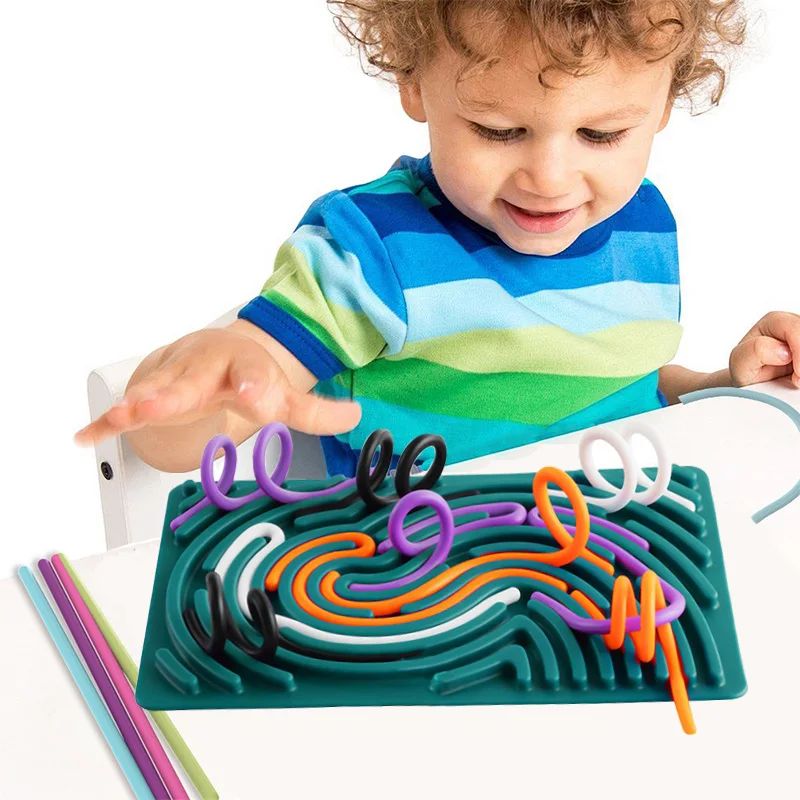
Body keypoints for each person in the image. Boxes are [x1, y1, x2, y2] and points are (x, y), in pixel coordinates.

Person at [75, 0, 799, 476]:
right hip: (424, 582)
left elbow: (625, 389)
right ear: (415, 83)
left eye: (602, 134)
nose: (550, 178)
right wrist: (219, 382)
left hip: (616, 564)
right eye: (499, 130)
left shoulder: (640, 225)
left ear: (665, 103)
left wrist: (725, 386)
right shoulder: (369, 252)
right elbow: (165, 442)